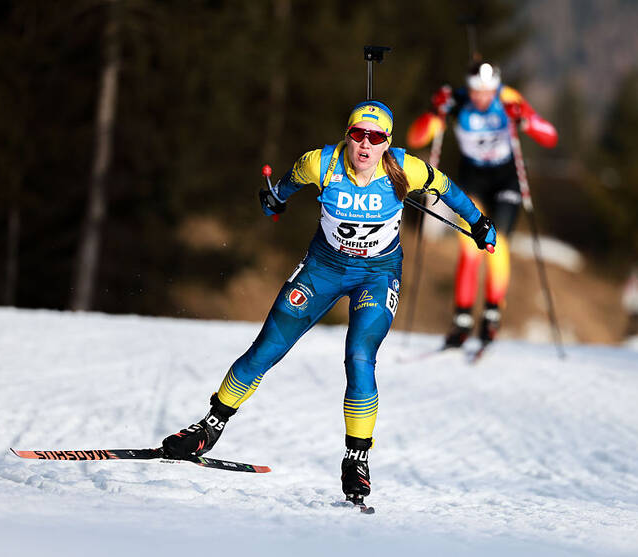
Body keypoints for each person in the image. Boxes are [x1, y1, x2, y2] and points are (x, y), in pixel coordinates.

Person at [160, 100, 497, 505]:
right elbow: (286, 185)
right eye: (358, 134)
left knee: (359, 355)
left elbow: (449, 190)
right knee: (266, 348)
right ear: (346, 135)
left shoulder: (406, 169)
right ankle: (209, 427)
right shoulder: (319, 164)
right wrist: (275, 199)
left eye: (375, 137)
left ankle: (356, 459)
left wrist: (478, 222)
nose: (365, 145)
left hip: (377, 274)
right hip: (323, 268)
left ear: (387, 142)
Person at [407, 62, 558, 348]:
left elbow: (550, 136)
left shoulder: (509, 98)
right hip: (473, 179)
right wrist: (434, 112)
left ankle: (492, 312)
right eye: (476, 91)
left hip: (505, 180)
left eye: (488, 91)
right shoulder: (457, 100)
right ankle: (462, 317)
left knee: (497, 243)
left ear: (496, 87)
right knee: (469, 245)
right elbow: (416, 138)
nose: (481, 98)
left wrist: (524, 120)